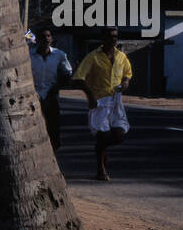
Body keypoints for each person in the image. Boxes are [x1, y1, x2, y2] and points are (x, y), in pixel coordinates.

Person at [72, 28, 133, 181]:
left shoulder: (121, 57)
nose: (114, 40)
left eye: (116, 37)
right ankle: (101, 169)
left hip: (116, 101)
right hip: (99, 101)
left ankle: (102, 150)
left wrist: (125, 83)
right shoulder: (93, 57)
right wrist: (90, 96)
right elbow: (78, 78)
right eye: (110, 37)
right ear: (103, 38)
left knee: (119, 135)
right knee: (102, 135)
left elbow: (127, 74)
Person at [29, 27, 73, 149]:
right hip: (34, 95)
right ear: (37, 40)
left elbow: (67, 73)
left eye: (48, 36)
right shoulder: (29, 55)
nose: (46, 39)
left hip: (51, 95)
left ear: (52, 39)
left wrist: (56, 87)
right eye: (43, 37)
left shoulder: (59, 55)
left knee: (53, 128)